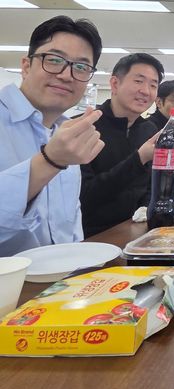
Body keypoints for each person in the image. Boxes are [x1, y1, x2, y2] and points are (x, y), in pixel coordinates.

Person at [0, 16, 104, 256]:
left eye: (81, 67)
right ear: (26, 66)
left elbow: (70, 224)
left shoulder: (67, 132)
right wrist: (50, 161)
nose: (67, 75)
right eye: (54, 60)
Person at [80, 53, 164, 237]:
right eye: (138, 81)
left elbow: (151, 186)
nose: (146, 91)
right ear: (115, 84)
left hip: (139, 231)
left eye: (153, 85)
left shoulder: (148, 129)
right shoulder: (85, 127)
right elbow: (84, 197)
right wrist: (139, 159)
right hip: (92, 237)